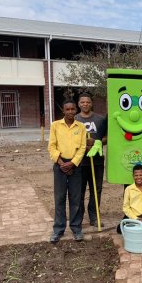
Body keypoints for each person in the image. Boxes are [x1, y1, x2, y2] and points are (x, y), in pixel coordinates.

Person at [48, 98, 87, 243]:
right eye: (67, 109)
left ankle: (76, 229)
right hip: (59, 165)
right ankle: (58, 230)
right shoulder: (55, 126)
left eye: (72, 109)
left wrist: (72, 163)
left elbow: (82, 147)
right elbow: (51, 146)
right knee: (59, 198)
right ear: (63, 111)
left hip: (75, 167)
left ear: (75, 110)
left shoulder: (81, 127)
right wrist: (61, 163)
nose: (70, 111)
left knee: (75, 198)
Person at [75, 92, 106, 227]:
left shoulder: (100, 119)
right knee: (79, 190)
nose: (85, 104)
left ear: (91, 103)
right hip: (80, 162)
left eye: (87, 102)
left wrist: (96, 142)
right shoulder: (75, 119)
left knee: (96, 189)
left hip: (97, 161)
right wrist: (83, 145)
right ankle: (79, 218)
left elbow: (107, 138)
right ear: (79, 104)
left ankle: (94, 217)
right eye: (82, 102)